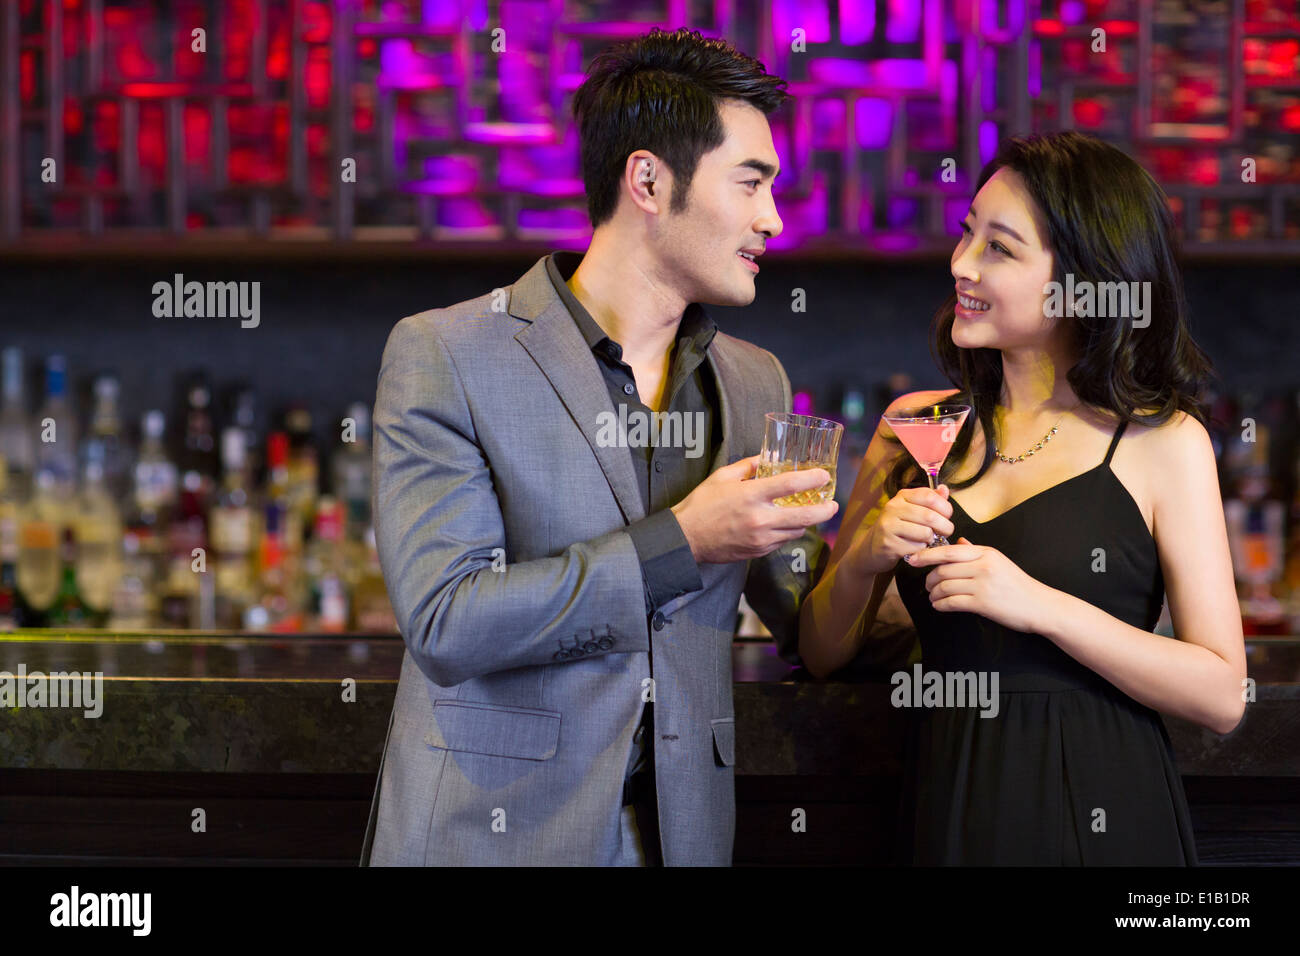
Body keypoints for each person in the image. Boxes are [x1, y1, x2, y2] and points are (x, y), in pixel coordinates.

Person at [360, 27, 837, 866]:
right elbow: (447, 623)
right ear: (647, 180)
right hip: (493, 838)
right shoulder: (448, 352)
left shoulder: (755, 379)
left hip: (679, 835)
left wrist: (890, 562)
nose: (774, 218)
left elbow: (801, 612)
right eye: (752, 183)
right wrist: (684, 542)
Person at [798, 130, 1246, 865]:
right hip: (948, 802)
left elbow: (1223, 694)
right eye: (966, 233)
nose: (961, 264)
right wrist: (862, 559)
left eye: (999, 248)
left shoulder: (1163, 442)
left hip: (1102, 806)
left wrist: (1035, 602)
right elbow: (821, 653)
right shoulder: (917, 426)